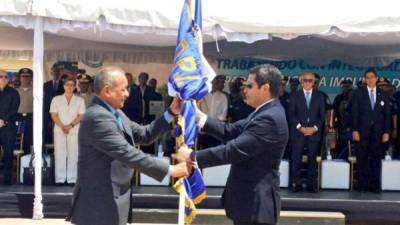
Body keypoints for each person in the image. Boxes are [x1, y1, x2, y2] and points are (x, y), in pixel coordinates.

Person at [68, 66, 189, 225]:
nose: (127, 94)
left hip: (113, 198)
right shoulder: (98, 117)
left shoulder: (115, 112)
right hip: (98, 204)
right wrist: (171, 169)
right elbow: (127, 153)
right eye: (124, 89)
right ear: (107, 91)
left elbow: (144, 134)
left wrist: (171, 112)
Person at [178, 64, 289, 225]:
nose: (245, 90)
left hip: (256, 204)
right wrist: (199, 117)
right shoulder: (263, 112)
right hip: (247, 202)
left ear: (265, 88)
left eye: (250, 86)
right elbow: (229, 131)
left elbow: (233, 150)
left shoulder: (270, 118)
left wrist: (192, 156)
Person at [351, 68, 391, 192]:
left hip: (378, 133)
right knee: (362, 158)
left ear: (376, 79)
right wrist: (355, 130)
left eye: (372, 77)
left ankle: (375, 185)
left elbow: (387, 115)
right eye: (367, 77)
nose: (370, 79)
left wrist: (386, 132)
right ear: (365, 80)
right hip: (362, 132)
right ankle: (362, 185)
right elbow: (354, 113)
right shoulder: (359, 93)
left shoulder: (383, 94)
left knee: (376, 159)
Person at [289, 72, 326, 192]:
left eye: (310, 80)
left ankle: (311, 184)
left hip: (314, 133)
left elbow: (322, 116)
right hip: (298, 132)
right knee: (296, 158)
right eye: (305, 80)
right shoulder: (295, 95)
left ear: (314, 82)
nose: (308, 82)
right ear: (302, 81)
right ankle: (296, 183)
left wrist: (314, 128)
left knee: (312, 158)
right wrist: (301, 128)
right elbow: (291, 115)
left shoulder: (320, 96)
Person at [50, 77, 85, 184]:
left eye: (71, 85)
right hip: (59, 129)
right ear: (63, 86)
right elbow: (53, 114)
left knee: (73, 154)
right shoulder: (56, 99)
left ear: (75, 87)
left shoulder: (80, 100)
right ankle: (60, 179)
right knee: (60, 153)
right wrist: (62, 126)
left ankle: (72, 179)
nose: (69, 87)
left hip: (74, 129)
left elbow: (81, 115)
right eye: (67, 85)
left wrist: (70, 126)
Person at [0, 69, 20, 185]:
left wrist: (3, 121)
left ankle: (7, 180)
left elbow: (14, 109)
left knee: (8, 153)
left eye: (5, 77)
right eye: (0, 76)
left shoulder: (13, 93)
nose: (3, 79)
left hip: (8, 127)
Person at [16, 68, 34, 154]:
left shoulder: (36, 91)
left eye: (28, 76)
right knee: (16, 139)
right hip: (17, 117)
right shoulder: (15, 91)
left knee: (28, 139)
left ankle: (26, 160)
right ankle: (15, 161)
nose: (25, 78)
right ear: (20, 78)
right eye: (23, 76)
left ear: (31, 78)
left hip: (30, 117)